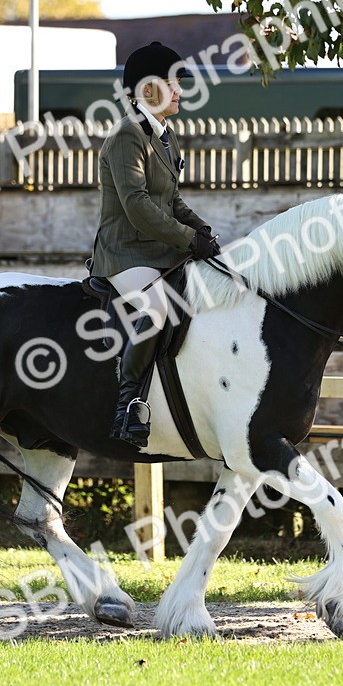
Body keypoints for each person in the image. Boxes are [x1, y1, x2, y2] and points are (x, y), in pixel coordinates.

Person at [89, 41, 221, 448]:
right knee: (159, 307)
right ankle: (128, 404)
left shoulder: (165, 135)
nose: (180, 90)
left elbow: (172, 200)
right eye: (173, 82)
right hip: (124, 254)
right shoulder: (127, 136)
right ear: (148, 90)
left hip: (160, 250)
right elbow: (138, 205)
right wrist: (186, 240)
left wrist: (203, 233)